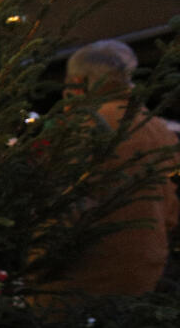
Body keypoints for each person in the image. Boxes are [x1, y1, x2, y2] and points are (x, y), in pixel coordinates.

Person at [51, 40, 180, 296]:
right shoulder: (159, 130)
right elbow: (171, 212)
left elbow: (55, 209)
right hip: (145, 272)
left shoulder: (81, 128)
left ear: (78, 82)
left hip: (76, 281)